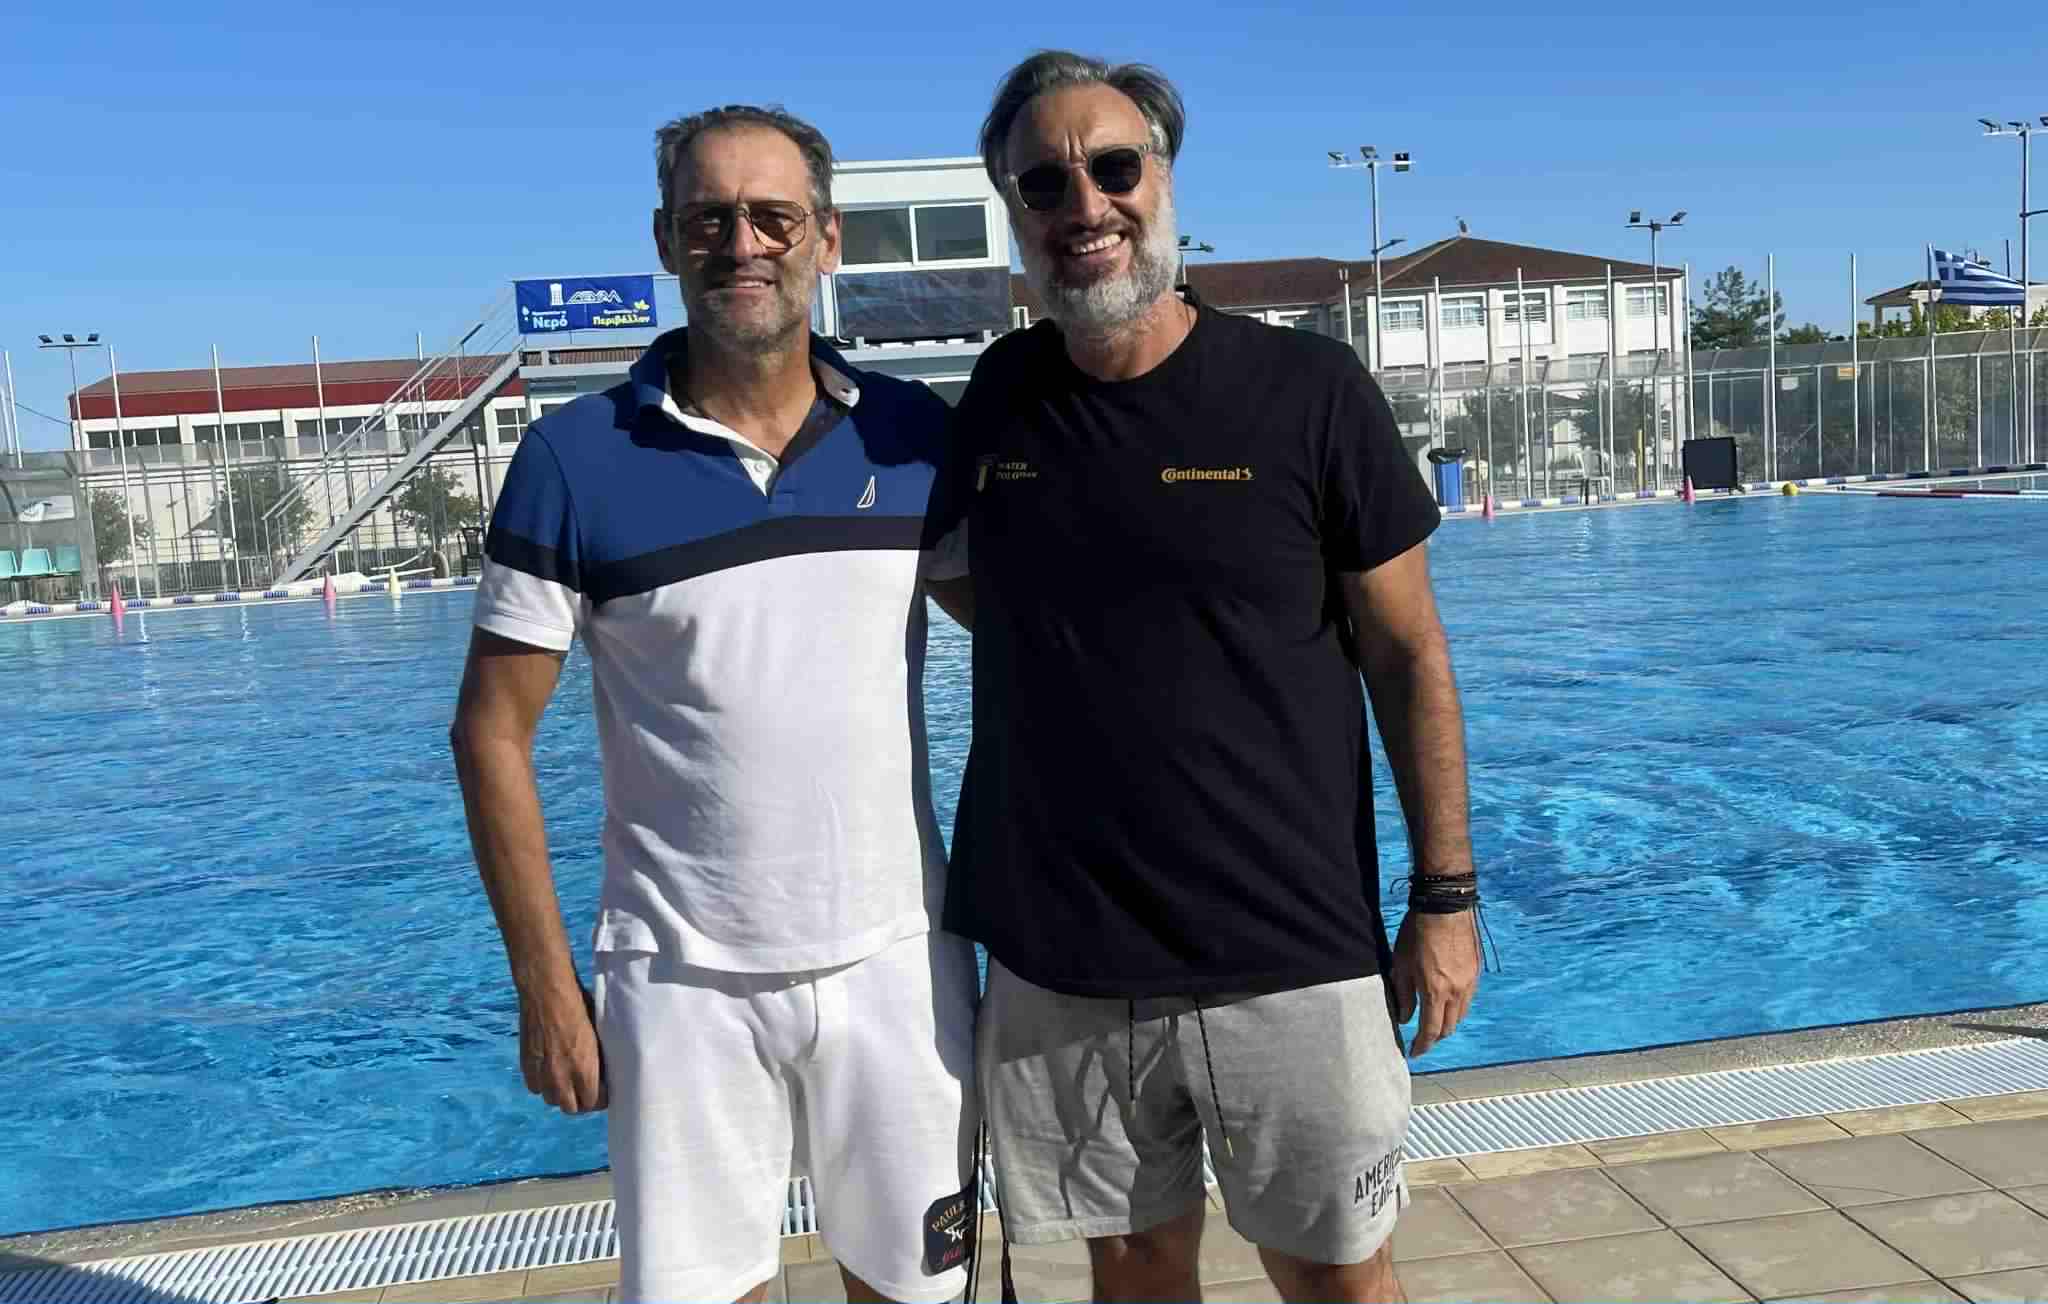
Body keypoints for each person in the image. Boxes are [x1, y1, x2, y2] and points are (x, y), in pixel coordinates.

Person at [921, 52, 1483, 1304]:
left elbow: (1407, 655)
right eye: (1044, 183)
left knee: (1336, 1275)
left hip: (1289, 943)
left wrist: (1443, 898)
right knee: (1130, 1269)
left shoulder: (1306, 394)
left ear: (1162, 178)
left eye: (1113, 167)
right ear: (1015, 210)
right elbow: (962, 582)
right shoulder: (998, 401)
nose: (1084, 205)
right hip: (1065, 954)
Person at [450, 104, 978, 1304]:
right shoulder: (574, 459)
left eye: (773, 217)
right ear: (665, 238)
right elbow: (489, 730)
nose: (742, 244)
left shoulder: (912, 436)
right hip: (677, 977)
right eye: (709, 219)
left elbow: (1031, 642)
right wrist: (545, 983)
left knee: (914, 1292)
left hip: (897, 958)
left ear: (826, 238)